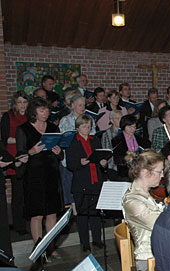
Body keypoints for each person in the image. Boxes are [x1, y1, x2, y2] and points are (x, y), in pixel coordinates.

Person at [16, 97, 64, 258]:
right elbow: (20, 155)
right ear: (33, 112)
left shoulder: (52, 127)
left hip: (51, 173)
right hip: (34, 175)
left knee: (51, 213)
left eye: (47, 110)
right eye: (41, 110)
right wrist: (32, 152)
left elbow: (60, 152)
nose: (45, 113)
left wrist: (59, 152)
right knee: (36, 214)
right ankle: (39, 249)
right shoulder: (23, 129)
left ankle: (50, 247)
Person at [122, 149, 165, 271]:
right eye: (160, 171)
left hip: (159, 256)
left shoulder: (145, 194)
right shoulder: (132, 201)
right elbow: (162, 223)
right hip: (149, 263)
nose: (163, 175)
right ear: (146, 172)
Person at [67, 115, 107, 252]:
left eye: (89, 126)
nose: (87, 129)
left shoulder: (94, 140)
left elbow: (100, 156)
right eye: (84, 126)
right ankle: (84, 242)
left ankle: (97, 240)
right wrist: (80, 162)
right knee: (83, 215)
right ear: (77, 128)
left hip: (95, 181)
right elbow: (70, 164)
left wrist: (103, 162)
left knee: (95, 213)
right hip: (81, 182)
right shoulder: (73, 142)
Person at [1, 91, 29, 235]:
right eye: (19, 102)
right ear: (14, 103)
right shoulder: (8, 116)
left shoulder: (30, 117)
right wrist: (22, 140)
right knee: (18, 195)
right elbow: (5, 139)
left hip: (29, 157)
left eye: (25, 102)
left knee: (29, 193)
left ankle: (31, 222)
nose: (22, 105)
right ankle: (20, 226)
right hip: (14, 159)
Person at [113, 114, 151, 180]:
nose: (132, 129)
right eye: (130, 127)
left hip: (140, 168)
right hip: (125, 171)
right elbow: (117, 159)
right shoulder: (117, 140)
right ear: (123, 126)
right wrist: (128, 156)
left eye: (134, 127)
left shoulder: (139, 138)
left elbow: (147, 149)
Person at [101, 109, 123, 180]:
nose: (120, 120)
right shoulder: (107, 134)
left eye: (121, 118)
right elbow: (106, 152)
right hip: (113, 166)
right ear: (112, 120)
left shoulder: (126, 132)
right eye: (117, 118)